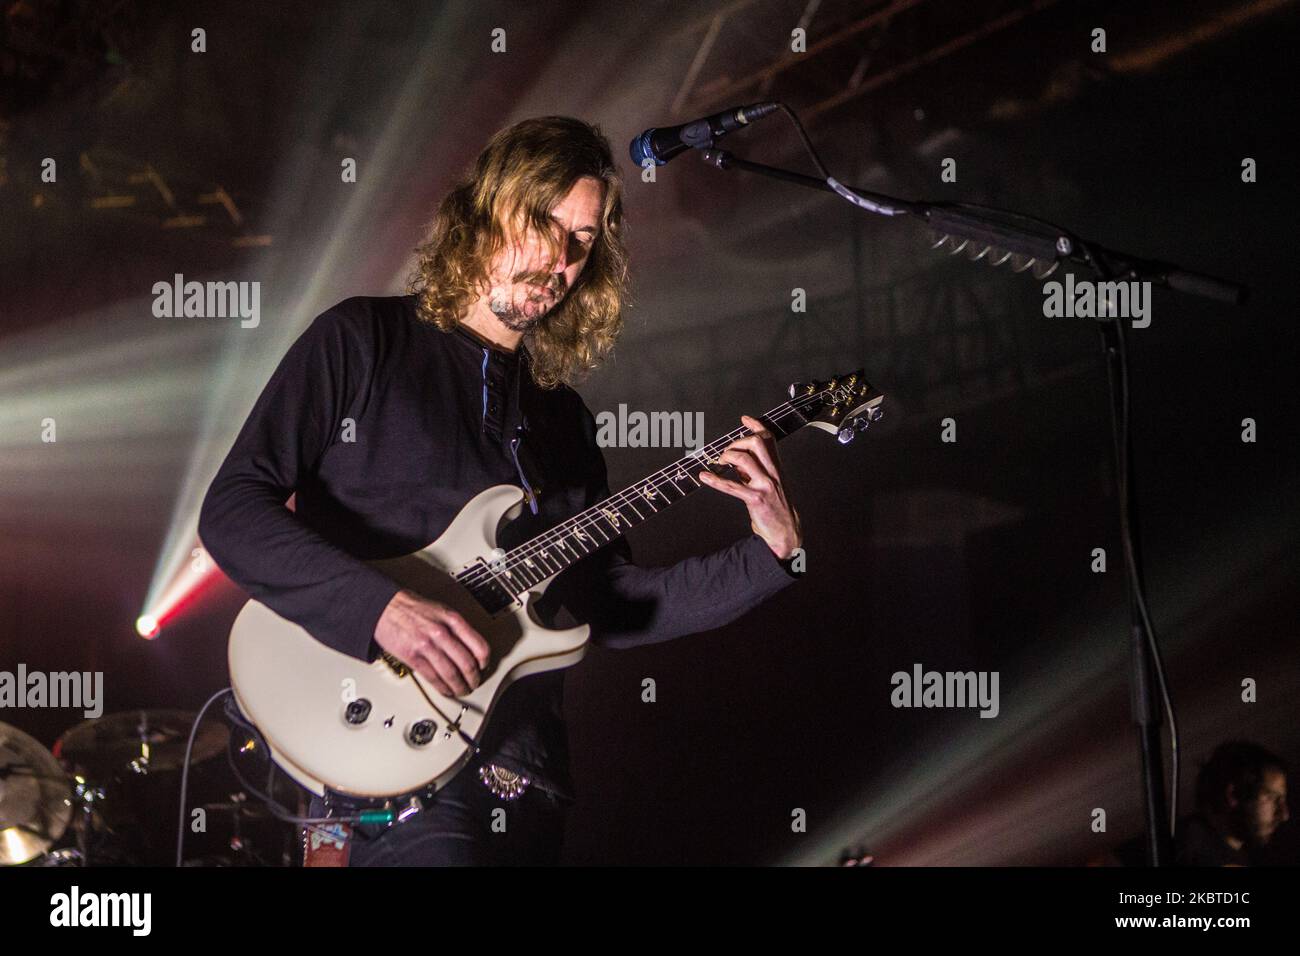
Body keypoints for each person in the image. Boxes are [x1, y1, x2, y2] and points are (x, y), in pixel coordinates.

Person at [198, 115, 805, 865]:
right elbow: (231, 509)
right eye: (546, 222)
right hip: (392, 773)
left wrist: (771, 554)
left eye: (584, 239)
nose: (561, 256)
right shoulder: (363, 341)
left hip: (529, 786)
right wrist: (381, 611)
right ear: (487, 209)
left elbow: (612, 605)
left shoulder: (564, 421)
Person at [1175, 740, 1290, 866]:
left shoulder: (1234, 854)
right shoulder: (1190, 850)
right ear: (1234, 794)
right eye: (1273, 798)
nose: (1284, 815)